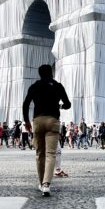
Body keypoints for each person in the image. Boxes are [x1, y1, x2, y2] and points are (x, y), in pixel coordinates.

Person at [22, 64, 71, 197]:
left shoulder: (35, 86)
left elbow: (26, 104)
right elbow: (68, 104)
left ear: (39, 74)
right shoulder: (58, 86)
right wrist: (60, 106)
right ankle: (46, 184)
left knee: (39, 153)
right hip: (53, 120)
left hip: (38, 120)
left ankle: (40, 182)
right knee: (51, 154)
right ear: (51, 73)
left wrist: (26, 121)